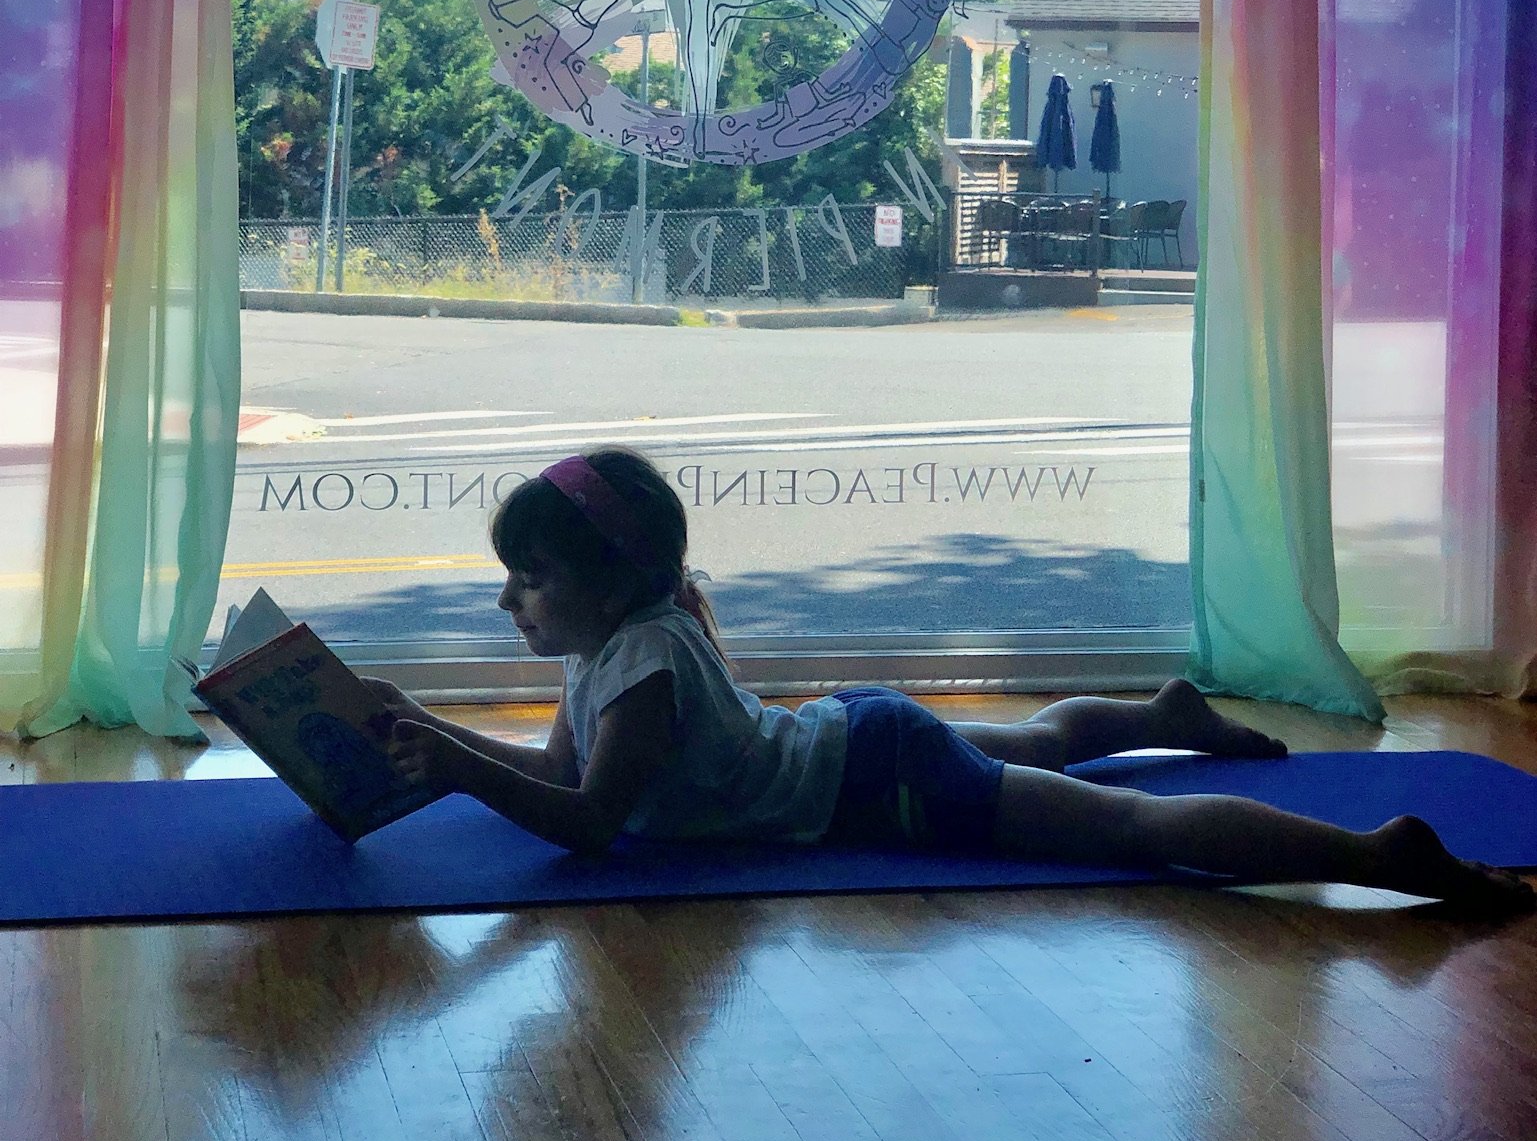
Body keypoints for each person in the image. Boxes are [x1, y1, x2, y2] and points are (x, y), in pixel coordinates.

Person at [377, 448, 1534, 917]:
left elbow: (587, 823)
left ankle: (1377, 856)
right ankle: (1156, 715)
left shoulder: (638, 668)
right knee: (1036, 747)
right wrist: (431, 733)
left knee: (1130, 831)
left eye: (529, 580)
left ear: (606, 581)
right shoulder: (612, 645)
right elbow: (557, 773)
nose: (508, 602)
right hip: (853, 743)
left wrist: (455, 772)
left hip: (878, 777)